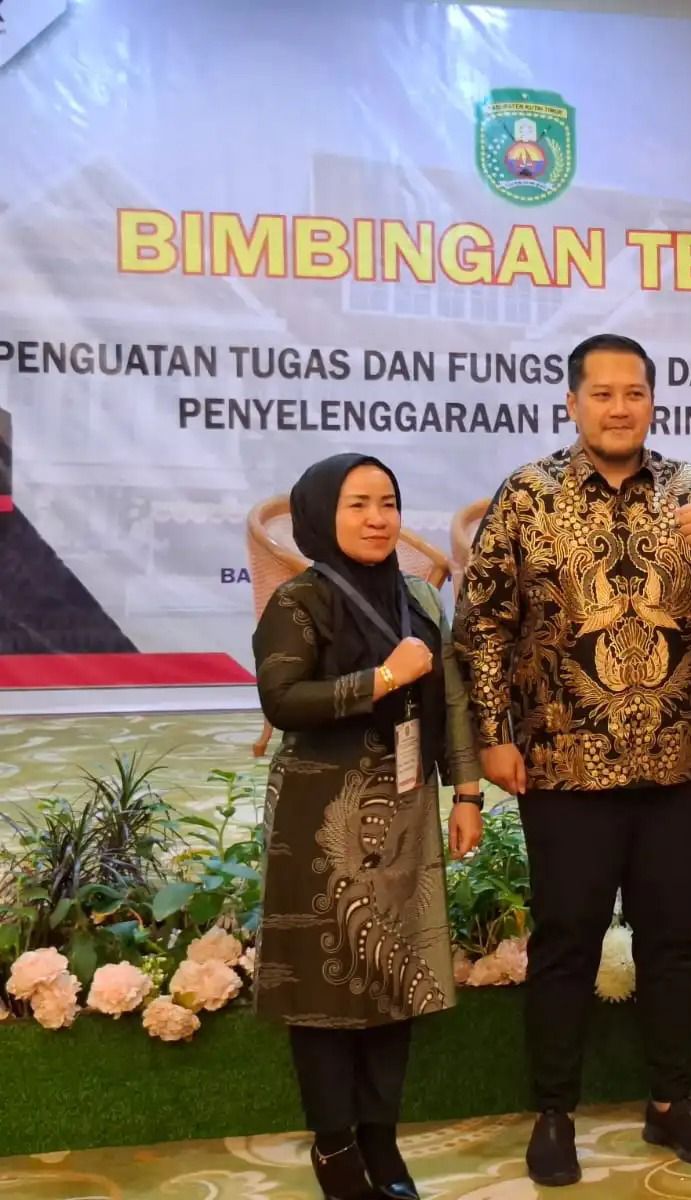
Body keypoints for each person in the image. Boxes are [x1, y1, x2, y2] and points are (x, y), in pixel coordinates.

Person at [454, 333, 691, 1188]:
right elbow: (482, 623)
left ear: (652, 401)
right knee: (567, 943)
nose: (620, 408)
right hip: (564, 763)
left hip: (679, 763)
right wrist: (494, 733)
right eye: (603, 394)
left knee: (673, 941)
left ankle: (671, 1102)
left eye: (635, 393)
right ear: (573, 403)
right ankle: (554, 1113)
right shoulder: (528, 494)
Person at [253, 453, 484, 1200]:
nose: (379, 519)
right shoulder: (300, 601)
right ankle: (335, 1149)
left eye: (388, 503)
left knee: (396, 977)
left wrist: (468, 793)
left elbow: (451, 696)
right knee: (325, 988)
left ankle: (382, 1146)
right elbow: (282, 699)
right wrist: (382, 679)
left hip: (407, 807)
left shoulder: (418, 597)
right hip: (320, 817)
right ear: (324, 515)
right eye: (359, 504)